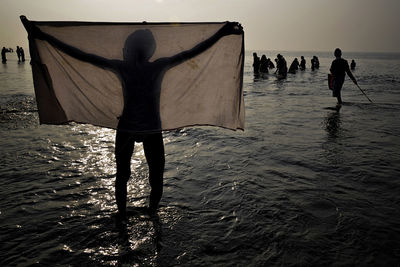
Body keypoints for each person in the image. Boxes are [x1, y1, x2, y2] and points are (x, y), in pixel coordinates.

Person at [25, 17, 243, 220]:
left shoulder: (125, 67)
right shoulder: (157, 66)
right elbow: (192, 52)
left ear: (129, 48)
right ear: (150, 49)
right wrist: (221, 33)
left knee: (124, 175)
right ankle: (152, 215)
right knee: (153, 177)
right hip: (149, 128)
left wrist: (44, 36)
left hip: (129, 127)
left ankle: (123, 217)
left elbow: (81, 55)